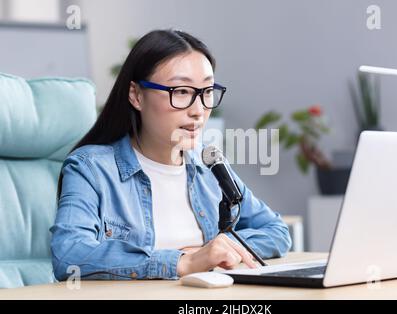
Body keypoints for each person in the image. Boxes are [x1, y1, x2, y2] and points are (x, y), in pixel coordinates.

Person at [50, 29, 291, 281]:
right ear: (136, 95)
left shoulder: (207, 165)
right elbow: (69, 255)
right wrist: (182, 263)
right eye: (181, 92)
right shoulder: (91, 168)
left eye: (207, 91)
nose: (198, 110)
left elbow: (276, 231)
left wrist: (214, 249)